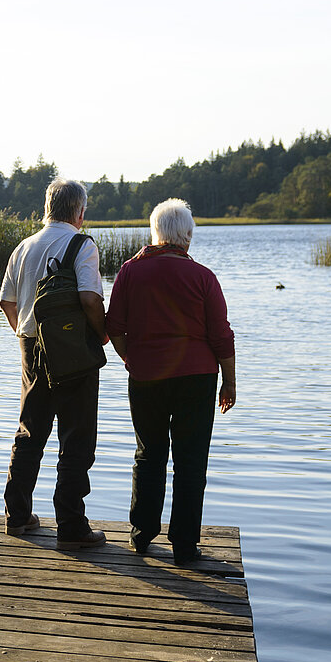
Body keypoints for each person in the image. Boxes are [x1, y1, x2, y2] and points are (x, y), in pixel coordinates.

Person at [103, 198, 236, 565]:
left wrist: (132, 358)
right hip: (197, 378)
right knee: (190, 462)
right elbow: (221, 336)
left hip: (146, 377)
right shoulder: (204, 277)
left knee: (149, 454)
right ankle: (184, 545)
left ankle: (142, 535)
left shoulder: (130, 272)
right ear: (188, 236)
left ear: (155, 232)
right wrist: (230, 382)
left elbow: (113, 328)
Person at [0, 177, 109, 548]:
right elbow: (91, 299)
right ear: (79, 211)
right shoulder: (82, 244)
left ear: (47, 207)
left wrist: (24, 335)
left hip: (30, 347)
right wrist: (103, 335)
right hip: (74, 351)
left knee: (31, 430)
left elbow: (6, 302)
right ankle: (71, 525)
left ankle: (17, 516)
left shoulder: (24, 247)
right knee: (76, 437)